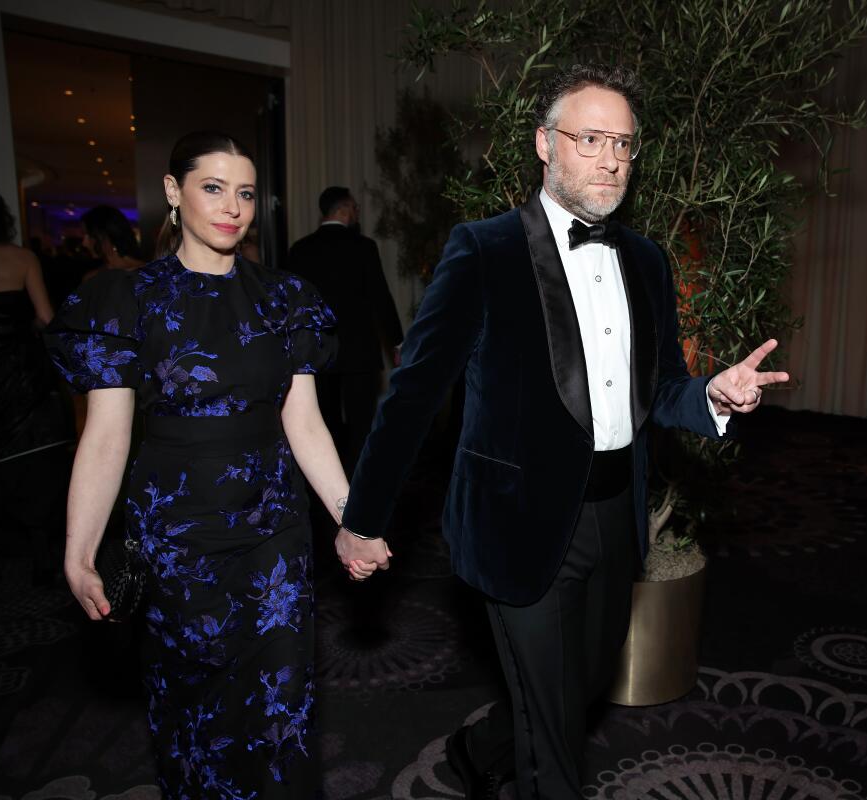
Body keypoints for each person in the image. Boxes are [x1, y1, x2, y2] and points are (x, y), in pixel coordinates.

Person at [333, 64, 789, 800]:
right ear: (545, 144)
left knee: (579, 688)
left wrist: (713, 393)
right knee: (554, 743)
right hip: (518, 520)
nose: (611, 158)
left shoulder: (646, 260)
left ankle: (481, 751)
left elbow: (662, 389)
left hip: (615, 515)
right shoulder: (483, 250)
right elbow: (413, 396)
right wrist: (364, 518)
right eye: (590, 138)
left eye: (624, 144)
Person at [45, 131, 346, 796]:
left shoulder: (283, 298)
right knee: (195, 707)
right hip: (177, 538)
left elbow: (305, 422)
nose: (232, 206)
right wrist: (80, 549)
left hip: (274, 532)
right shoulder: (127, 299)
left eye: (244, 193)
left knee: (280, 704)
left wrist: (353, 518)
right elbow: (105, 437)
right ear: (174, 192)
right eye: (213, 188)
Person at [0, 179, 72, 592]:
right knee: (33, 473)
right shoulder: (21, 258)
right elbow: (46, 319)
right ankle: (43, 560)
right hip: (19, 381)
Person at [288, 186, 402, 467]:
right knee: (361, 425)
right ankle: (359, 484)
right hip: (359, 351)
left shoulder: (301, 250)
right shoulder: (364, 247)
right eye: (355, 208)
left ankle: (327, 485)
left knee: (323, 423)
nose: (356, 213)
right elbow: (381, 298)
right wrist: (398, 342)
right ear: (345, 208)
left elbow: (290, 304)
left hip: (317, 352)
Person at [80, 205, 144, 283]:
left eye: (88, 235)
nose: (84, 243)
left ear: (106, 235)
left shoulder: (146, 274)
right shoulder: (92, 277)